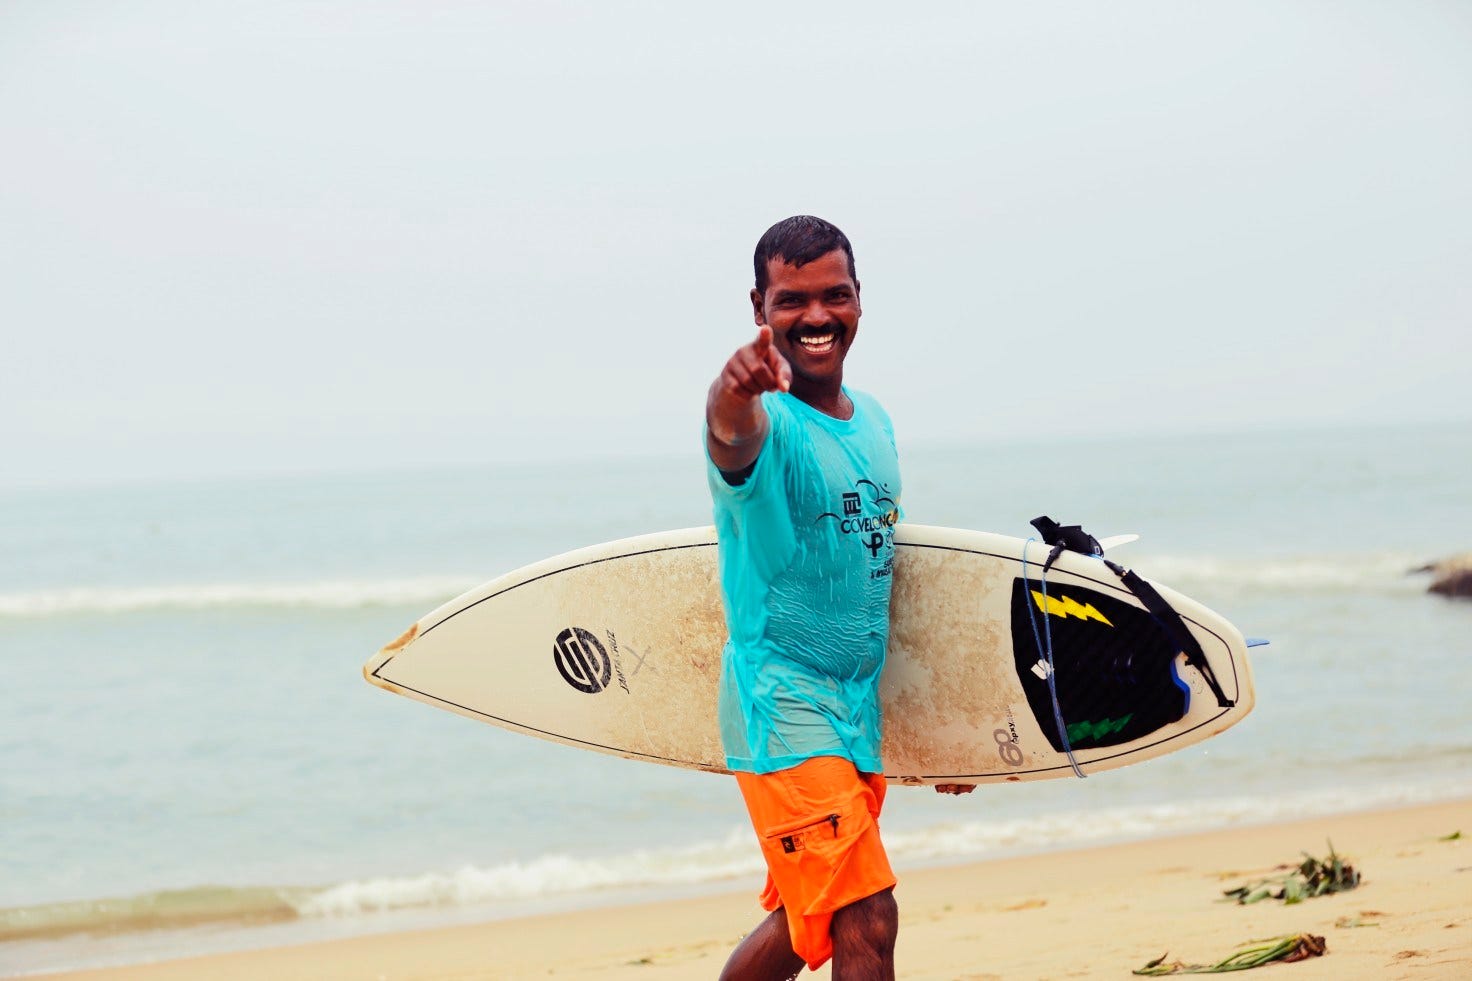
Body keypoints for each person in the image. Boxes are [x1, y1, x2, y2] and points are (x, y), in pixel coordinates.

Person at [705, 216, 972, 981]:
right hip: (784, 706)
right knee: (868, 913)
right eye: (791, 299)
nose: (816, 315)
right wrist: (731, 391)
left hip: (855, 710)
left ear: (859, 299)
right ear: (759, 307)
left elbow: (883, 578)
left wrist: (945, 726)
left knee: (808, 920)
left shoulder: (875, 420)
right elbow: (731, 435)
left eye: (835, 294)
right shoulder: (768, 424)